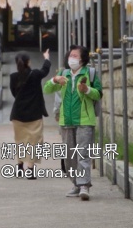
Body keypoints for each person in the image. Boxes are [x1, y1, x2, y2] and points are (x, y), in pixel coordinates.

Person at [43, 45, 102, 200]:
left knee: (83, 153)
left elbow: (98, 94)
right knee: (69, 156)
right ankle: (76, 184)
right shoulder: (63, 74)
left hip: (84, 120)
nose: (72, 58)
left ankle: (84, 185)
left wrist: (87, 90)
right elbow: (47, 90)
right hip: (67, 121)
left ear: (82, 58)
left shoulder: (90, 73)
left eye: (75, 55)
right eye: (70, 55)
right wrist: (54, 79)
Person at [9, 50, 52, 178]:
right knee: (35, 141)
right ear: (28, 62)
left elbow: (14, 94)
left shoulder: (13, 77)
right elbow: (45, 70)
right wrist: (46, 58)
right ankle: (30, 169)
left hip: (18, 113)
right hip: (34, 114)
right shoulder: (35, 74)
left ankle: (19, 166)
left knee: (20, 140)